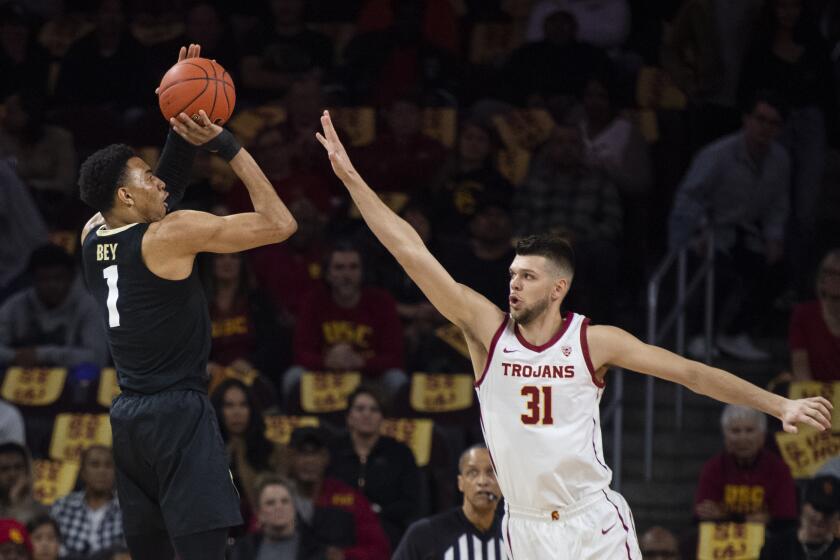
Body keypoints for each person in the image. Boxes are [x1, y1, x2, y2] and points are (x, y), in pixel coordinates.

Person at [314, 109, 831, 559]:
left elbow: (692, 374)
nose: (513, 284)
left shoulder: (593, 342)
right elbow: (411, 252)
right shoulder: (486, 329)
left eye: (527, 276)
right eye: (512, 274)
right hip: (527, 525)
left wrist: (779, 407)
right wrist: (352, 179)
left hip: (593, 522)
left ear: (558, 287)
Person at [76, 44, 297, 560]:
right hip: (179, 412)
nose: (156, 177)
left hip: (129, 417)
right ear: (126, 198)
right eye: (143, 175)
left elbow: (163, 192)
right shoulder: (170, 235)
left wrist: (178, 121)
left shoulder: (90, 234)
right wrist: (228, 144)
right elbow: (280, 224)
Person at [668, 92, 790, 361]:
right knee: (713, 269)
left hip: (745, 231)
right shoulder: (718, 155)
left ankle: (735, 333)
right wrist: (696, 232)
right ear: (747, 120)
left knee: (776, 269)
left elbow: (778, 205)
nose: (764, 127)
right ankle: (699, 335)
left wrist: (774, 238)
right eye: (760, 119)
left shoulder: (780, 160)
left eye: (772, 123)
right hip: (706, 230)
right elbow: (689, 196)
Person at [288, 241, 405, 399]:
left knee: (396, 379)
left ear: (362, 272)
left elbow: (395, 356)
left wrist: (361, 362)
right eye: (339, 267)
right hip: (325, 376)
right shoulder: (313, 301)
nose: (347, 275)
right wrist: (327, 361)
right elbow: (300, 353)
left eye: (353, 267)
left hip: (370, 377)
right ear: (328, 274)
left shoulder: (382, 301)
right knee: (293, 377)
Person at [328, 386, 421, 548]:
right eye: (360, 409)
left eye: (374, 409)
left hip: (386, 528)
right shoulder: (332, 451)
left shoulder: (400, 453)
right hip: (338, 528)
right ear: (349, 417)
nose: (367, 414)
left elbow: (410, 501)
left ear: (382, 418)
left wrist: (376, 513)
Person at [286, 427, 390, 560]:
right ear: (289, 457)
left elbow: (380, 551)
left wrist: (345, 555)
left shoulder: (350, 499)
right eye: (302, 453)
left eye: (316, 453)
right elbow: (256, 543)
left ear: (326, 458)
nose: (309, 461)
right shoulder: (275, 495)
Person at [0, 244, 109, 369]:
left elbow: (98, 358)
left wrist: (41, 355)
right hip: (19, 378)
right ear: (32, 279)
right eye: (44, 279)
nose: (52, 285)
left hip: (71, 380)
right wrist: (14, 356)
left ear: (71, 277)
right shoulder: (16, 305)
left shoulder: (88, 306)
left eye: (58, 278)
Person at [392, 445, 505, 560]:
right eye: (473, 472)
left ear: (503, 484)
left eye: (491, 473)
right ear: (461, 483)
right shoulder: (426, 533)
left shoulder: (514, 535)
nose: (482, 481)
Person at [694, 405, 797, 528]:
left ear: (762, 435)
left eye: (749, 430)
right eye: (735, 431)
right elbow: (702, 515)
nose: (743, 438)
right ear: (725, 436)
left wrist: (724, 515)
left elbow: (786, 520)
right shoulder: (713, 468)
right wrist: (751, 519)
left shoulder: (779, 470)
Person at [210, 378, 284, 520]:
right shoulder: (207, 450)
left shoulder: (274, 449)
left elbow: (266, 501)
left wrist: (241, 453)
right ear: (219, 410)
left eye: (243, 405)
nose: (237, 412)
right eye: (229, 406)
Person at [50, 446, 123, 558]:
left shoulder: (126, 510)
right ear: (83, 472)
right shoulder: (62, 506)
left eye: (108, 465)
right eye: (95, 464)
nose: (102, 471)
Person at [230, 475, 327, 560]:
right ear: (259, 513)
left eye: (285, 501)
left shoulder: (314, 550)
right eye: (270, 503)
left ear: (294, 508)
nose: (279, 507)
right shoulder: (243, 549)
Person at [759, 475, 840, 560]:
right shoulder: (776, 547)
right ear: (803, 506)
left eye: (828, 511)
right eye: (816, 508)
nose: (820, 517)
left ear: (838, 515)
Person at [790, 249, 840, 380]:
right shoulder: (804, 314)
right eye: (829, 272)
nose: (834, 278)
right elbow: (800, 370)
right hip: (815, 394)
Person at [0, 444, 47, 525]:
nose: (12, 474)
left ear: (27, 470)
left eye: (18, 467)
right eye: (5, 469)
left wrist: (17, 502)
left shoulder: (39, 509)